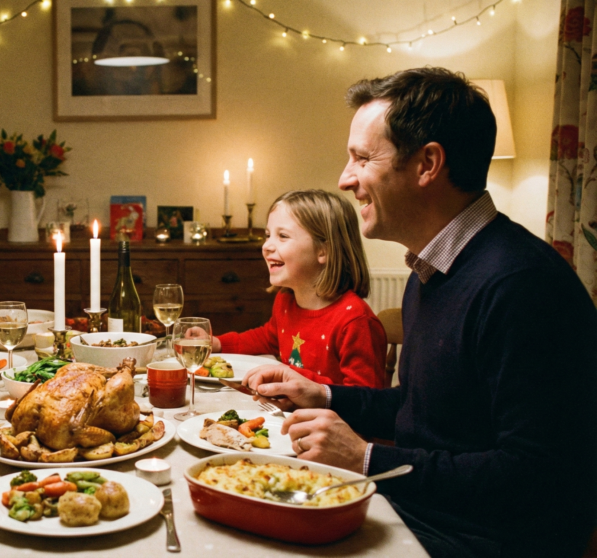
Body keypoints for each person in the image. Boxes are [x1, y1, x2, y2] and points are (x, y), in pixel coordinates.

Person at [245, 68, 597, 557]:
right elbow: (421, 409)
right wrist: (324, 394)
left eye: (363, 158)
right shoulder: (430, 272)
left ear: (428, 163)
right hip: (418, 510)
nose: (346, 179)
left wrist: (366, 458)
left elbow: (538, 478)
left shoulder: (521, 285)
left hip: (476, 538)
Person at [211, 189, 387, 388]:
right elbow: (266, 339)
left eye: (283, 236)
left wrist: (291, 376)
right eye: (268, 235)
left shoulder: (355, 321)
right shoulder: (286, 302)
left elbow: (366, 400)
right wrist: (217, 343)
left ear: (324, 250)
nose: (267, 246)